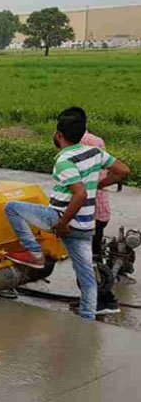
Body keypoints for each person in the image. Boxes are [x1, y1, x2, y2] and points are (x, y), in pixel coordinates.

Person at [4, 108, 130, 320]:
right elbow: (124, 171)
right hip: (86, 225)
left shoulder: (64, 160)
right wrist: (99, 183)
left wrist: (62, 223)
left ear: (59, 135)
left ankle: (34, 253)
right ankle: (88, 319)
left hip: (62, 218)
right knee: (87, 276)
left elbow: (79, 195)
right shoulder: (95, 153)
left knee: (12, 208)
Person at [70, 107, 119, 316]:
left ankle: (104, 300)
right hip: (93, 210)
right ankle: (96, 298)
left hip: (90, 211)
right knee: (90, 256)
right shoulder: (92, 141)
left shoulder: (87, 144)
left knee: (88, 259)